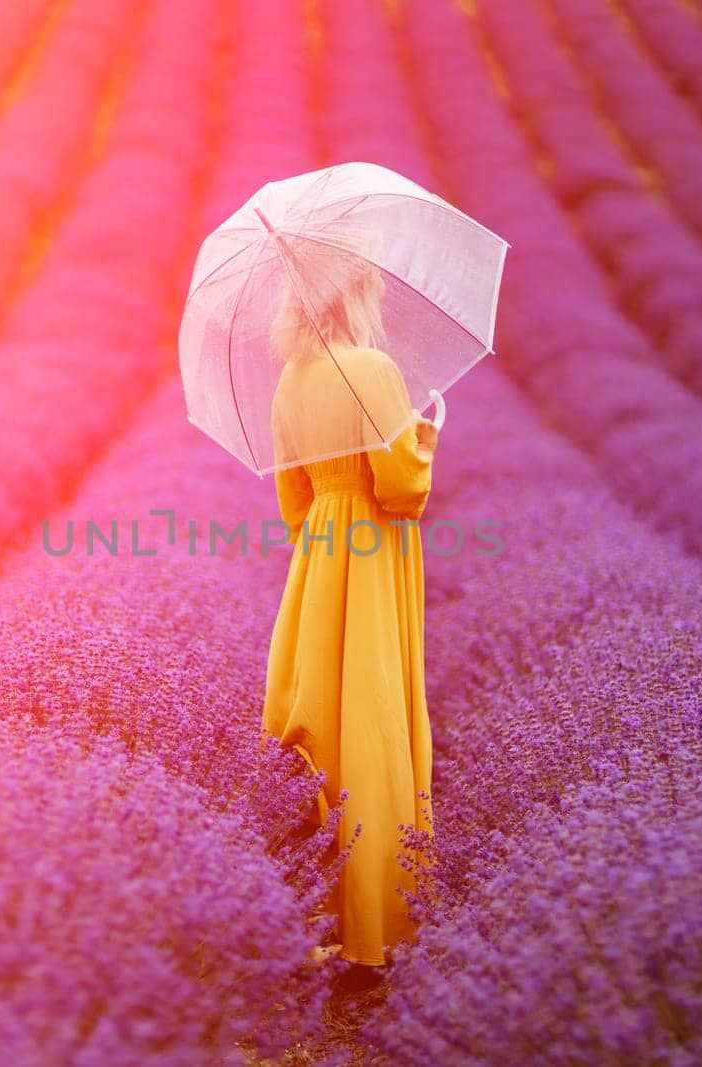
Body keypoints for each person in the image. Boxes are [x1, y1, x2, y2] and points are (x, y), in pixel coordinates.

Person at [259, 228, 438, 971]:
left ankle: (318, 914)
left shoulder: (290, 382)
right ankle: (380, 927)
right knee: (372, 714)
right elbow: (401, 489)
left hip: (319, 562)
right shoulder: (373, 369)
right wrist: (427, 436)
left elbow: (292, 504)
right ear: (352, 293)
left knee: (325, 717)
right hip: (372, 555)